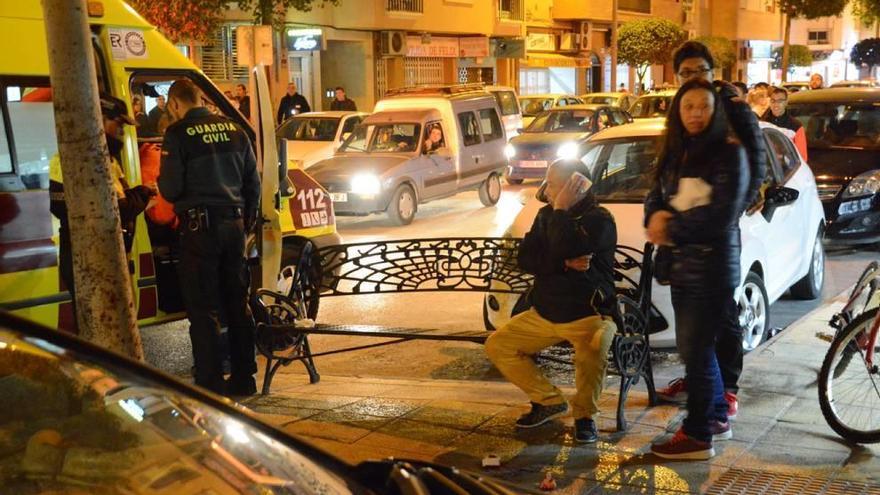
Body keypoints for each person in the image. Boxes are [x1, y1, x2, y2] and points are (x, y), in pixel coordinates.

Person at [656, 41, 768, 421]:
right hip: (684, 234)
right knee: (690, 319)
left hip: (718, 228)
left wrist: (732, 210)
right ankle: (703, 382)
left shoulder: (731, 108)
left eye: (699, 70)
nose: (693, 78)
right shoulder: (680, 114)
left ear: (712, 69)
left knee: (720, 314)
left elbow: (756, 159)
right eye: (686, 73)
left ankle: (727, 388)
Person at [645, 78, 749, 459]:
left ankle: (697, 434)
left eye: (703, 106)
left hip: (712, 266)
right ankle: (716, 416)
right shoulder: (675, 150)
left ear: (715, 111)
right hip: (682, 266)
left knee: (697, 351)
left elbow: (720, 213)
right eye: (688, 106)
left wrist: (670, 227)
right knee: (696, 350)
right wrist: (654, 213)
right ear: (677, 110)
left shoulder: (728, 154)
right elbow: (656, 192)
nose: (695, 114)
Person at [485, 159, 617, 444]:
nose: (547, 188)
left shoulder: (599, 219)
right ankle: (548, 400)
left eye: (554, 183)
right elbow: (526, 259)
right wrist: (562, 265)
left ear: (577, 186)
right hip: (545, 312)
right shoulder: (545, 216)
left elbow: (570, 247)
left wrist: (560, 210)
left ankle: (585, 417)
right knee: (498, 345)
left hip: (589, 314)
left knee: (593, 349)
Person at [158, 80, 261, 396]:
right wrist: (247, 222)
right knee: (237, 303)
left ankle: (210, 384)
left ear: (175, 104)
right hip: (233, 227)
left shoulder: (177, 135)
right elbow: (252, 183)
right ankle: (245, 378)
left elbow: (171, 189)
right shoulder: (234, 130)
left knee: (204, 311)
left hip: (198, 230)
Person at [49, 94, 154, 331]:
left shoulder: (103, 157)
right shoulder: (85, 158)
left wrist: (138, 192)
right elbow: (117, 208)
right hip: (90, 256)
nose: (122, 132)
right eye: (118, 125)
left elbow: (119, 198)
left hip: (99, 253)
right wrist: (144, 195)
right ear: (100, 119)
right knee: (101, 328)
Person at [761, 86, 808, 160]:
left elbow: (802, 157)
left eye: (780, 101)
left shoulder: (796, 126)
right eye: (773, 101)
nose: (776, 105)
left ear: (786, 102)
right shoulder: (762, 122)